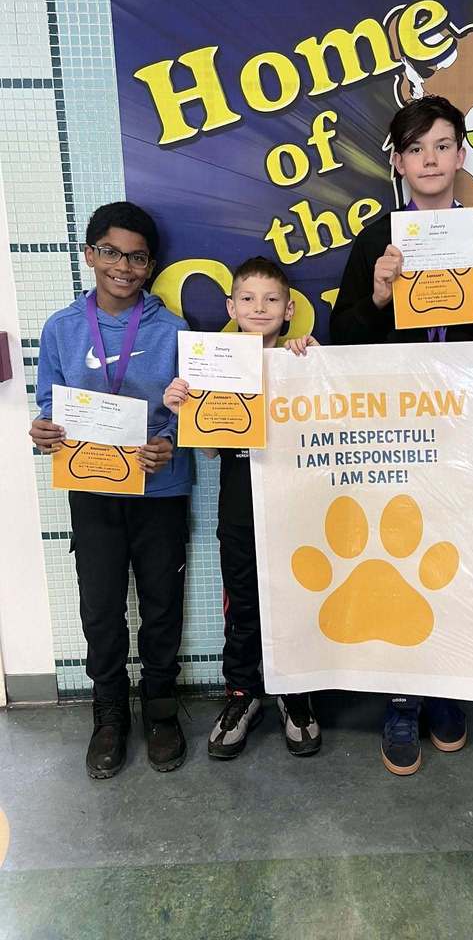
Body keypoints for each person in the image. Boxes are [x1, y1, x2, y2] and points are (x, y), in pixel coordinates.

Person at [330, 94, 473, 775]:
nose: (431, 159)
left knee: (451, 555)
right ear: (398, 161)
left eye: (443, 145)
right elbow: (340, 339)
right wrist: (383, 295)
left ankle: (448, 690)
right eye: (416, 148)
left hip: (460, 423)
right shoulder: (376, 240)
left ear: (461, 154)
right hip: (391, 425)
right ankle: (402, 697)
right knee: (396, 553)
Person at [31, 201, 192, 778]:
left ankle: (160, 708)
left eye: (137, 257)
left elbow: (191, 408)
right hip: (92, 489)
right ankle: (108, 714)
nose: (123, 266)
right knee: (100, 608)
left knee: (161, 606)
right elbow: (51, 404)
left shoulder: (173, 329)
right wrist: (43, 429)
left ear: (150, 266)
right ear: (89, 254)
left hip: (161, 491)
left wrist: (170, 440)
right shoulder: (62, 328)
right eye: (111, 252)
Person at [164, 257, 322, 759]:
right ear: (231, 306)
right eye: (248, 299)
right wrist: (186, 409)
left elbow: (332, 419)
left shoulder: (302, 357)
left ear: (289, 309)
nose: (259, 307)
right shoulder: (214, 364)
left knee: (298, 599)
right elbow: (210, 450)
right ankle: (242, 693)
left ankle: (296, 692)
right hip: (239, 511)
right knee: (244, 606)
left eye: (271, 299)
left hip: (298, 509)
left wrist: (317, 367)